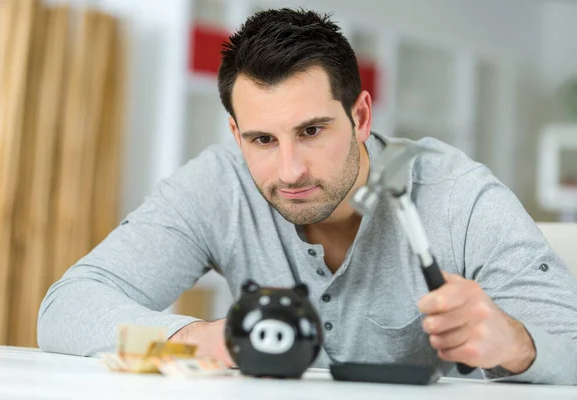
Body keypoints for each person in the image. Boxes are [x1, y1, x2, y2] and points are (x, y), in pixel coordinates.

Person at [37, 8, 577, 385]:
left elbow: (570, 344)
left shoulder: (459, 197)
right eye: (263, 140)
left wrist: (516, 343)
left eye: (312, 131)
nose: (290, 169)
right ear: (236, 135)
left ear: (360, 116)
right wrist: (197, 337)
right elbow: (67, 307)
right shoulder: (219, 183)